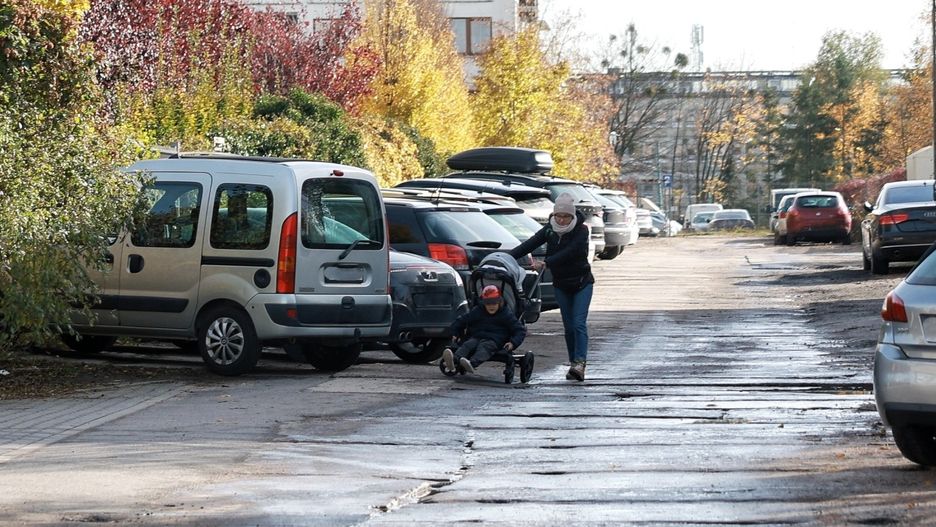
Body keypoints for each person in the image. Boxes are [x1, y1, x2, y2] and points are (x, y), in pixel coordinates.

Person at [510, 192, 594, 381]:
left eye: (566, 216)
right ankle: (573, 363)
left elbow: (571, 252)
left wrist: (547, 262)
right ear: (554, 215)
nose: (562, 220)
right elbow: (529, 245)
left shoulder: (581, 231)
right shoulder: (550, 229)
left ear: (572, 216)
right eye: (558, 216)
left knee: (578, 323)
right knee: (569, 326)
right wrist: (506, 257)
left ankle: (580, 363)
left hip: (582, 283)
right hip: (561, 284)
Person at [442, 285, 526, 376]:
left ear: (499, 302)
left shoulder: (506, 314)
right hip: (477, 336)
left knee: (484, 347)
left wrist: (513, 343)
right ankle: (454, 360)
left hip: (495, 340)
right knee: (467, 344)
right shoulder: (478, 311)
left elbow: (519, 330)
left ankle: (472, 363)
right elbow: (462, 320)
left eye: (494, 303)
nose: (491, 306)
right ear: (484, 303)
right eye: (488, 304)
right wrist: (455, 332)